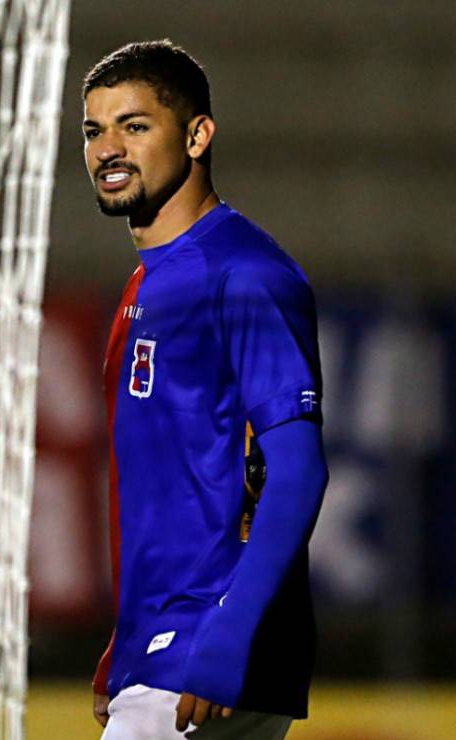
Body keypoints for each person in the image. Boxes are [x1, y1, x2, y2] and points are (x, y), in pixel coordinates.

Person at [82, 40, 330, 739]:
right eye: (94, 130)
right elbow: (172, 485)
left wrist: (229, 634)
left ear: (196, 136)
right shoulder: (150, 281)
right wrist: (128, 637)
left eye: (134, 126)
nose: (108, 149)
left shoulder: (243, 273)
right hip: (164, 642)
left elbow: (298, 471)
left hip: (204, 646)